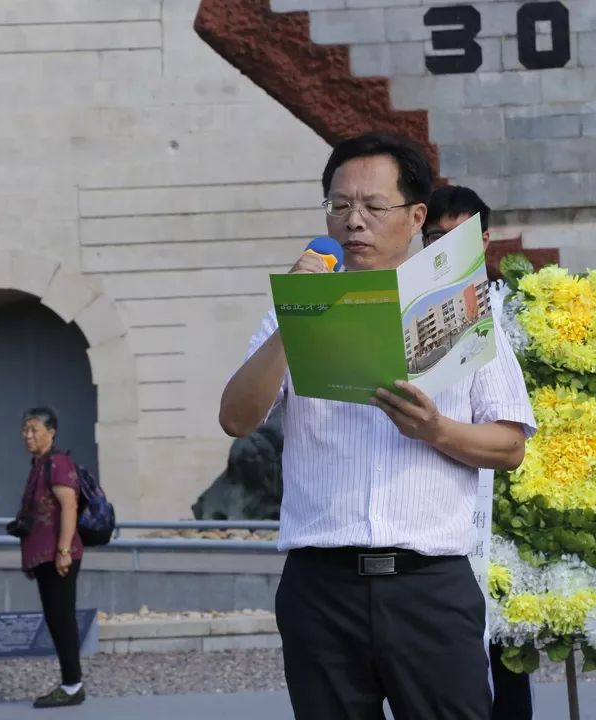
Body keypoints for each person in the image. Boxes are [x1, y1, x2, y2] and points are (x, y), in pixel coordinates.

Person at [219, 133, 536, 720]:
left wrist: (438, 430)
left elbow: (511, 444)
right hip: (322, 588)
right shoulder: (291, 312)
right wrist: (296, 316)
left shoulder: (466, 309)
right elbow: (237, 418)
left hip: (430, 587)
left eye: (372, 206)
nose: (353, 222)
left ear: (416, 216)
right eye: (339, 206)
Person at [424, 185, 536, 720]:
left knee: (511, 643)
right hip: (451, 501)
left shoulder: (520, 305)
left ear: (485, 239)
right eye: (434, 238)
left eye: (459, 237)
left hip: (516, 495)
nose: (445, 248)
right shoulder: (414, 310)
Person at [16, 406, 86, 709]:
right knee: (56, 619)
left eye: (34, 429)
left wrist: (63, 551)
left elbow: (69, 506)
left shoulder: (58, 463)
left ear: (51, 431)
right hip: (45, 557)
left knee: (62, 619)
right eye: (25, 429)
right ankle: (71, 683)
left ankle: (73, 685)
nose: (28, 435)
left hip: (59, 556)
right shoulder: (39, 464)